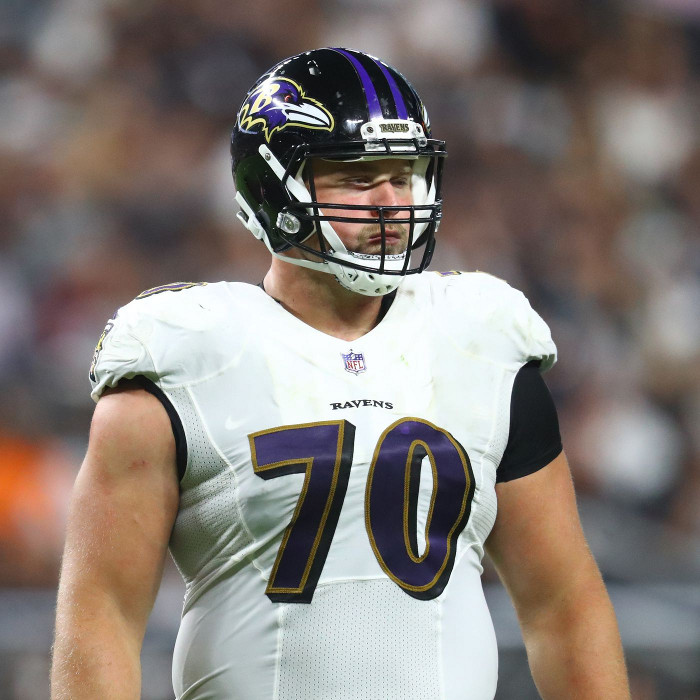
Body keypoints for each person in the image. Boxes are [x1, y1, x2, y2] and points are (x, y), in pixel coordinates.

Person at [51, 48, 630, 699]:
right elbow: (101, 617)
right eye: (357, 178)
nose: (390, 202)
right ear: (273, 189)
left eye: (404, 176)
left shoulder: (481, 341)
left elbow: (562, 604)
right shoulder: (185, 356)